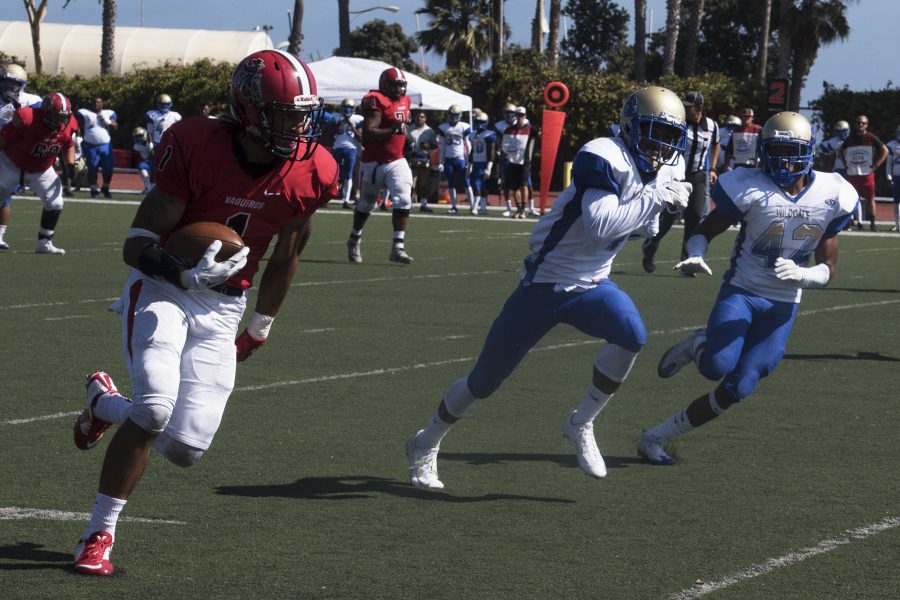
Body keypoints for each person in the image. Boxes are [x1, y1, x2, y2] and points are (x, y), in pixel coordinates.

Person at [69, 49, 338, 576]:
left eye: (304, 113)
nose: (299, 126)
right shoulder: (195, 142)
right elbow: (138, 241)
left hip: (223, 306)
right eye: (286, 113)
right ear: (247, 109)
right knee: (155, 410)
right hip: (162, 288)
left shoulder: (314, 169)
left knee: (186, 448)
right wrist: (178, 273)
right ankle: (98, 534)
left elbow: (288, 254)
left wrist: (259, 327)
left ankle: (103, 404)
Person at [405, 86, 691, 489]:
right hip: (546, 282)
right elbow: (601, 226)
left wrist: (661, 205)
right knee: (484, 381)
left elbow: (642, 226)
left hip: (593, 283)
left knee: (632, 335)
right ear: (630, 126)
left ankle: (581, 422)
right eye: (653, 132)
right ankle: (426, 441)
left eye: (668, 137)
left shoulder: (662, 170)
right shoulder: (604, 153)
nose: (660, 146)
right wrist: (656, 198)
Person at [637, 111, 858, 466]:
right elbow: (703, 231)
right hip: (743, 290)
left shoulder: (834, 193)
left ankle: (655, 436)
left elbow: (828, 268)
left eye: (791, 151)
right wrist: (695, 254)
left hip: (783, 303)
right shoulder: (749, 186)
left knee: (739, 387)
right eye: (775, 150)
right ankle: (698, 343)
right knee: (715, 365)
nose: (783, 160)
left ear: (808, 152)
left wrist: (805, 276)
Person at [642, 91, 718, 273]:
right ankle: (650, 247)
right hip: (678, 176)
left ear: (699, 108)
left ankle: (688, 262)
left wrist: (713, 167)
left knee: (695, 217)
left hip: (698, 176)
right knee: (667, 219)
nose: (685, 109)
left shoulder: (712, 126)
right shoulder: (681, 123)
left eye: (689, 107)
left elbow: (716, 144)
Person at [345, 66, 414, 264]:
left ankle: (398, 248)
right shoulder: (376, 100)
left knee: (403, 199)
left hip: (396, 159)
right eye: (396, 85)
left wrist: (407, 140)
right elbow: (369, 133)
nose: (399, 89)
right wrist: (393, 129)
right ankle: (354, 238)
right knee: (367, 204)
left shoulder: (405, 101)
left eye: (402, 85)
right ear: (385, 84)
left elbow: (402, 128)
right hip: (373, 162)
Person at [0, 92, 77, 254]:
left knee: (56, 203)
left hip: (42, 168)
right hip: (12, 163)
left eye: (62, 117)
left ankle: (44, 242)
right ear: (45, 112)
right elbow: (4, 139)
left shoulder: (69, 123)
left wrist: (70, 164)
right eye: (55, 116)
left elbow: (69, 144)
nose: (59, 121)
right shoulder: (26, 117)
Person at [0, 63, 43, 250]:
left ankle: (0, 235)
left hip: (13, 155)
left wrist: (19, 108)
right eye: (5, 83)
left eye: (13, 84)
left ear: (22, 85)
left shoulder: (31, 100)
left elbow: (41, 119)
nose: (8, 88)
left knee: (4, 196)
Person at [840, 114, 889, 231]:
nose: (860, 125)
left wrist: (876, 165)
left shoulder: (871, 137)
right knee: (850, 198)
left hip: (867, 174)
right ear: (855, 124)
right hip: (852, 174)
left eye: (863, 123)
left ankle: (872, 224)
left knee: (870, 198)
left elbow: (885, 150)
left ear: (867, 125)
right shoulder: (850, 139)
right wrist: (845, 163)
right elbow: (840, 150)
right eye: (858, 122)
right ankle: (848, 222)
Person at [77, 97, 119, 198]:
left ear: (102, 104)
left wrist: (108, 122)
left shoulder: (108, 113)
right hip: (90, 145)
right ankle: (93, 189)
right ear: (91, 103)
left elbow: (115, 126)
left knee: (108, 168)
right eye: (95, 102)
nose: (97, 104)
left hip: (105, 145)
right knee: (92, 167)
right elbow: (78, 124)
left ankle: (106, 186)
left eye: (99, 102)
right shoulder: (85, 112)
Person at [499, 106, 536, 219]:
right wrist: (510, 152)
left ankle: (524, 209)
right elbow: (504, 145)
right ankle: (518, 208)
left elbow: (539, 137)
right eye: (518, 115)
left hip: (525, 161)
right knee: (514, 187)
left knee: (524, 185)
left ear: (525, 116)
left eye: (522, 115)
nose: (519, 117)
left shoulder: (530, 129)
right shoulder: (509, 130)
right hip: (512, 161)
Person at [437, 104, 473, 215]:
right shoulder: (444, 127)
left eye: (455, 115)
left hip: (460, 159)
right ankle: (453, 206)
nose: (453, 118)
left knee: (466, 182)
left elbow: (468, 144)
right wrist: (440, 161)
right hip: (449, 159)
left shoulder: (464, 126)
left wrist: (468, 160)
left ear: (460, 115)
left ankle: (473, 206)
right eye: (452, 115)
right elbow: (442, 145)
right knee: (451, 183)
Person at [331, 98, 364, 209]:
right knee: (334, 173)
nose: (347, 109)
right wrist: (338, 124)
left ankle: (346, 200)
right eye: (345, 107)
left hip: (351, 148)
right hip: (337, 147)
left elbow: (360, 137)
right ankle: (329, 196)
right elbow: (330, 131)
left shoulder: (357, 119)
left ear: (353, 109)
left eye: (350, 107)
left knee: (348, 174)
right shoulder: (336, 116)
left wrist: (351, 125)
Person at [407, 109, 438, 213]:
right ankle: (409, 204)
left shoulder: (429, 131)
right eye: (418, 117)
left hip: (424, 158)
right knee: (412, 183)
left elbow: (434, 145)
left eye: (422, 117)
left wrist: (427, 145)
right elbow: (405, 142)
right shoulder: (410, 128)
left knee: (424, 184)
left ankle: (423, 204)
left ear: (425, 119)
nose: (419, 119)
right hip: (413, 158)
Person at [469, 110, 496, 215]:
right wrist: (469, 164)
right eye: (477, 122)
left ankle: (475, 207)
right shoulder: (472, 135)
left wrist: (489, 166)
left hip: (484, 162)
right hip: (476, 162)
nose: (479, 124)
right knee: (480, 185)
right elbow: (472, 150)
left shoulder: (489, 134)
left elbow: (492, 151)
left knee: (478, 185)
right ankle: (483, 208)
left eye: (481, 122)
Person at [495, 102, 518, 216]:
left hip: (519, 157)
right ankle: (509, 207)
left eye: (511, 114)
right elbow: (498, 141)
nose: (509, 116)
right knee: (506, 183)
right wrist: (500, 150)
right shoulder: (500, 125)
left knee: (522, 183)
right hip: (506, 156)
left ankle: (524, 207)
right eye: (507, 113)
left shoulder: (523, 123)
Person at [885, 126, 900, 231]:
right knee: (896, 202)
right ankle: (897, 224)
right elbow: (889, 162)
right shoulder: (892, 145)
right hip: (896, 176)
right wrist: (889, 176)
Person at [131, 126, 153, 194]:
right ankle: (147, 187)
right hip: (150, 162)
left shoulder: (154, 141)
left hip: (159, 162)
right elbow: (149, 156)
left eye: (140, 136)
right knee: (141, 166)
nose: (138, 138)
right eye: (136, 136)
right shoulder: (137, 146)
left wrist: (151, 145)